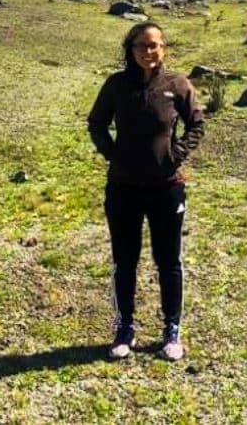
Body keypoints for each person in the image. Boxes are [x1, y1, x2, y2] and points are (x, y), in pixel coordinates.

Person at [87, 21, 205, 361]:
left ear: (163, 48)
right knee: (125, 261)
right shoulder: (116, 85)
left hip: (166, 188)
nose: (148, 52)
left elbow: (196, 123)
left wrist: (177, 154)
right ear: (131, 49)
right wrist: (112, 154)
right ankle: (124, 328)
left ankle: (172, 330)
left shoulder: (177, 84)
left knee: (169, 261)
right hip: (123, 188)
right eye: (141, 45)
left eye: (155, 45)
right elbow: (96, 123)